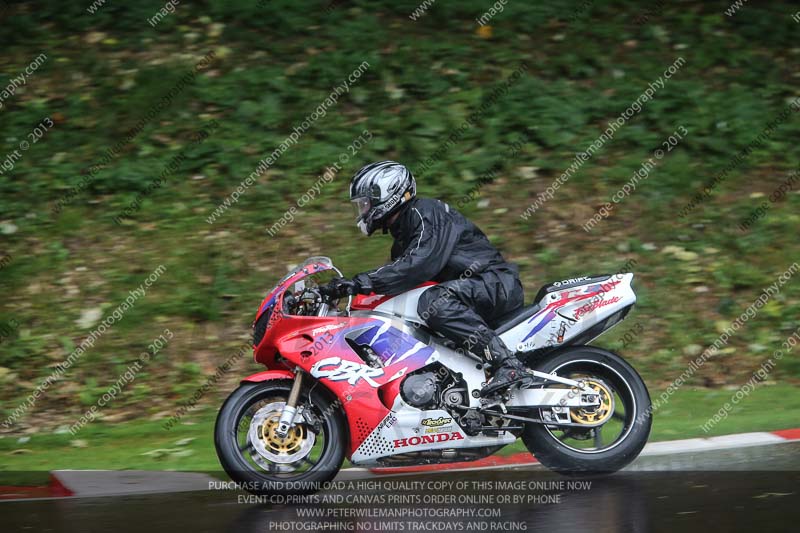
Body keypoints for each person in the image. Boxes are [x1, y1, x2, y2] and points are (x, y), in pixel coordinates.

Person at [322, 160, 529, 396]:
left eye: (365, 203)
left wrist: (359, 282)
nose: (363, 210)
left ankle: (508, 365)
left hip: (493, 283)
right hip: (471, 291)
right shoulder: (403, 237)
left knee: (433, 302)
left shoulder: (426, 213)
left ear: (388, 194)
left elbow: (417, 265)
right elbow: (400, 278)